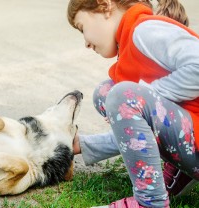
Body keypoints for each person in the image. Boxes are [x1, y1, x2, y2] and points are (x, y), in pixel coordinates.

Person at [67, 0, 199, 207]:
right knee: (106, 93)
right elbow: (139, 133)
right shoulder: (131, 42)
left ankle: (150, 203)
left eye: (82, 27)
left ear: (104, 6)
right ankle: (179, 168)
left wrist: (149, 93)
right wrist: (85, 145)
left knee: (123, 95)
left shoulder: (144, 30)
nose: (86, 42)